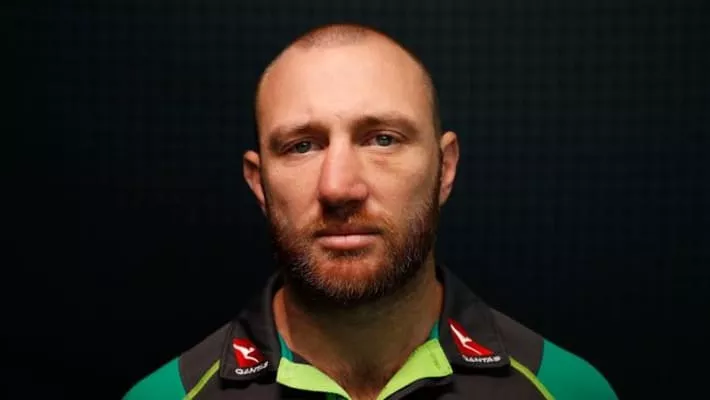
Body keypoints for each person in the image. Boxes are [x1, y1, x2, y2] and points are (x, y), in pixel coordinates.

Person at [123, 23, 618, 400]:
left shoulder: (567, 390)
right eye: (302, 146)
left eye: (382, 139)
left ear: (445, 168)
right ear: (259, 183)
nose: (339, 187)